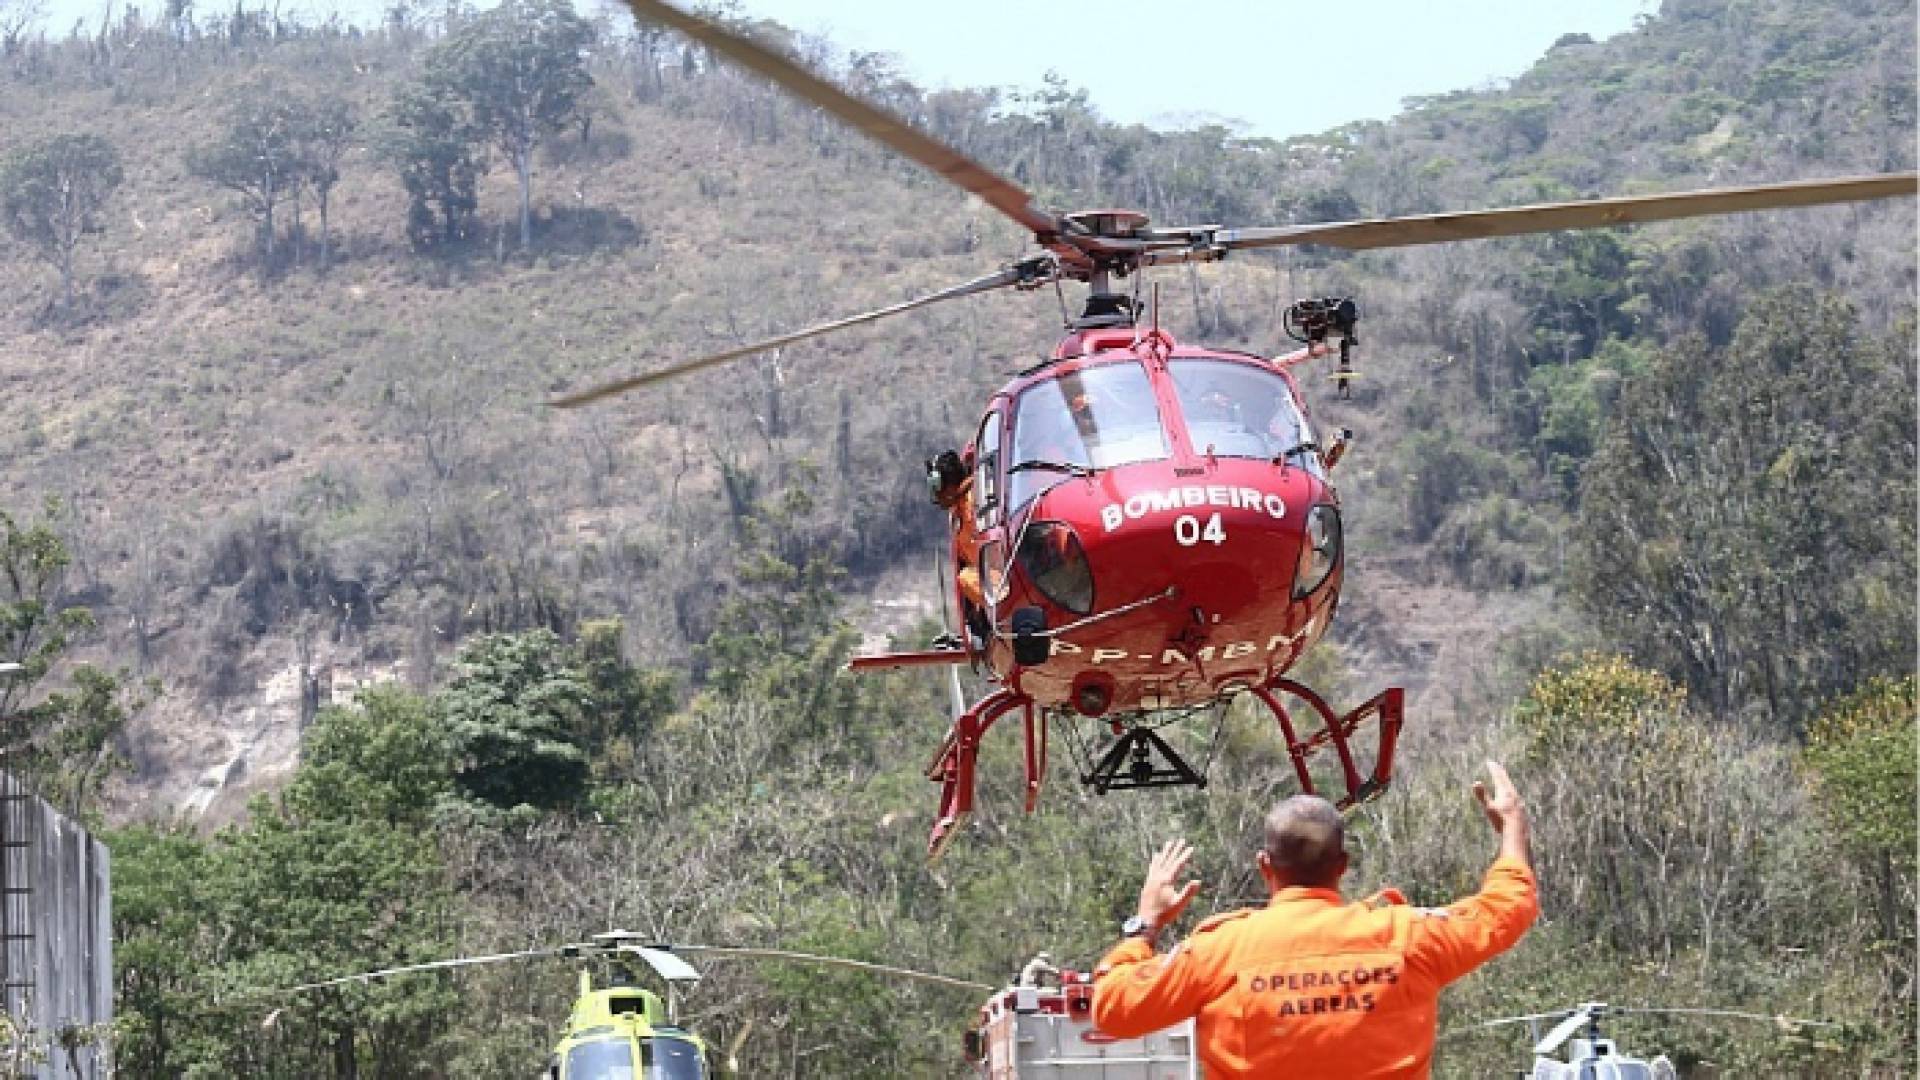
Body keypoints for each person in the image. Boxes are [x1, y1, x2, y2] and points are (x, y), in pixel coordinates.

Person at [1092, 761, 1538, 1078]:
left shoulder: (1220, 950)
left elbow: (1112, 1008)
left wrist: (1146, 922)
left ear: (1265, 865)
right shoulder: (1407, 937)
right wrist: (1513, 831)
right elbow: (1508, 907)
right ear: (1342, 865)